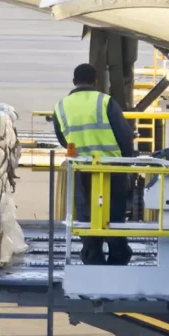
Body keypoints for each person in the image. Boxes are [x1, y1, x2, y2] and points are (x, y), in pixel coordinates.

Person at [53, 63, 136, 266]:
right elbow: (125, 136)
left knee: (86, 214)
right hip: (111, 168)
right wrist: (127, 164)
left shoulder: (61, 106)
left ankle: (92, 254)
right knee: (113, 214)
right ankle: (118, 255)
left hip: (82, 169)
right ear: (96, 81)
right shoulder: (105, 101)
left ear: (74, 82)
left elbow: (63, 139)